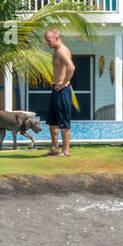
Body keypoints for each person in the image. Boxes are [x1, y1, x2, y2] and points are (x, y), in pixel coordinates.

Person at [43, 28, 75, 157]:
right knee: (52, 121)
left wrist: (64, 82)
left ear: (56, 38)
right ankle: (54, 148)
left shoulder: (62, 51)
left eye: (49, 41)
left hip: (62, 90)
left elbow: (71, 67)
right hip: (56, 89)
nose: (47, 43)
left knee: (63, 122)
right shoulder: (56, 51)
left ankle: (66, 151)